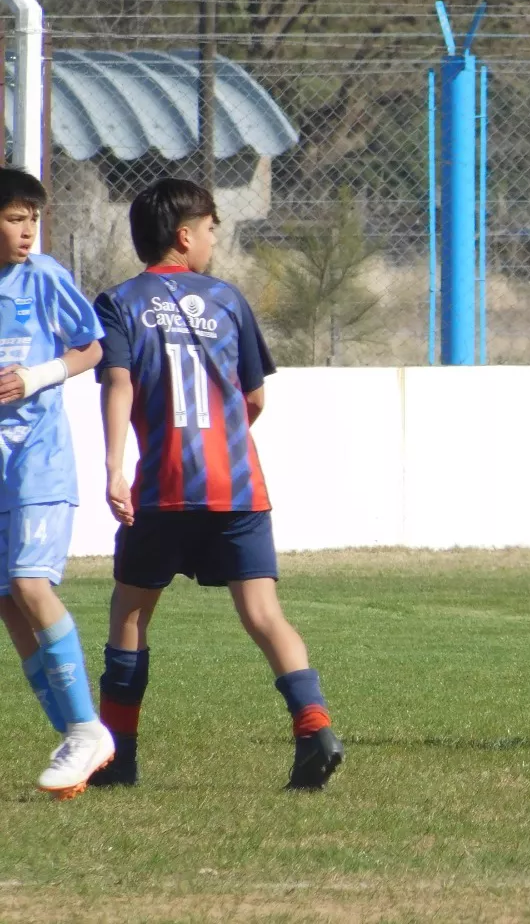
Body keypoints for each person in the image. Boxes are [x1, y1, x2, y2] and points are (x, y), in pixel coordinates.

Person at [91, 177, 342, 790]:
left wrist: (115, 467)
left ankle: (118, 755)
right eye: (210, 229)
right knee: (262, 613)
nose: (213, 240)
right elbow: (254, 397)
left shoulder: (119, 302)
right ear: (184, 237)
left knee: (130, 612)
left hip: (163, 487)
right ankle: (314, 728)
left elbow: (118, 383)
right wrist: (223, 433)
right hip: (237, 487)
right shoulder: (227, 299)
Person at [0, 167, 115, 798]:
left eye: (33, 220)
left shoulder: (42, 277)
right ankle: (78, 738)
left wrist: (35, 376)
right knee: (7, 602)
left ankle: (86, 731)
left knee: (29, 583)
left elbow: (91, 347)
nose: (27, 231)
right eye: (14, 218)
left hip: (38, 460)